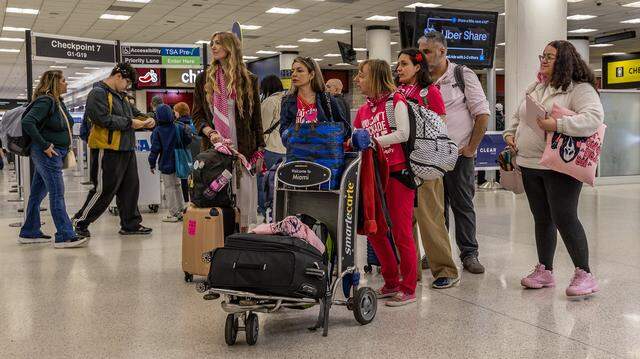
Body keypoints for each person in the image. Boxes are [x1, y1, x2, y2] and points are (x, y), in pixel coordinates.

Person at [504, 40, 603, 297]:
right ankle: (545, 270)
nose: (544, 60)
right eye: (543, 56)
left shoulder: (579, 89)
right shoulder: (537, 87)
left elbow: (593, 118)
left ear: (565, 61)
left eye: (550, 57)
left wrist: (557, 126)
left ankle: (585, 274)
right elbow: (518, 116)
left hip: (560, 165)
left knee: (564, 217)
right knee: (542, 218)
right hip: (529, 163)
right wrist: (510, 134)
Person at [419, 31, 490, 274]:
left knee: (462, 206)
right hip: (429, 157)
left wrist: (471, 148)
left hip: (458, 155)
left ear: (442, 51)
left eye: (427, 51)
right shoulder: (421, 80)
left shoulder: (462, 74)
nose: (423, 56)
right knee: (435, 208)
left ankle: (469, 254)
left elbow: (482, 114)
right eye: (421, 51)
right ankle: (438, 252)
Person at [395, 48, 460, 289]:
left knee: (430, 218)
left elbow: (440, 127)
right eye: (398, 64)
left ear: (417, 67)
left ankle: (445, 269)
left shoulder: (430, 92)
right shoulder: (396, 92)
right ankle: (410, 271)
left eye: (404, 64)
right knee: (404, 221)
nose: (399, 68)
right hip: (400, 164)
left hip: (425, 164)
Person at [353, 59, 416, 306]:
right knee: (376, 230)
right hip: (373, 176)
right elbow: (355, 137)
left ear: (376, 78)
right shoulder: (363, 111)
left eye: (362, 75)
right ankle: (390, 281)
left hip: (398, 174)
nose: (358, 79)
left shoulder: (395, 101)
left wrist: (372, 140)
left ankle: (408, 286)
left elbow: (403, 133)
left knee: (401, 232)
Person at [192, 31, 265, 231]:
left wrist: (260, 149)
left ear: (230, 47)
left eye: (218, 43)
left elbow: (256, 119)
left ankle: (242, 240)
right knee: (219, 193)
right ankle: (220, 238)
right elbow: (197, 116)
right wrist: (210, 133)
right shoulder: (204, 79)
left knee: (244, 197)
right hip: (215, 148)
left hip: (243, 149)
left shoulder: (249, 79)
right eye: (212, 43)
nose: (213, 47)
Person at [73, 63, 155, 237]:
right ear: (118, 76)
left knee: (130, 188)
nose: (127, 86)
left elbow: (135, 113)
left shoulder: (122, 96)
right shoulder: (98, 93)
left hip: (126, 148)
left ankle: (130, 224)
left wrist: (148, 119)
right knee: (103, 190)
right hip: (107, 149)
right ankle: (80, 221)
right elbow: (101, 119)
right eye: (126, 82)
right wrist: (130, 123)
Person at [19, 70, 88, 248]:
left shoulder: (57, 102)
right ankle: (64, 235)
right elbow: (28, 122)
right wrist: (44, 145)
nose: (67, 84)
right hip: (47, 154)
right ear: (55, 83)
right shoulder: (46, 100)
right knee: (57, 192)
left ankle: (29, 231)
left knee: (37, 194)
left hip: (54, 153)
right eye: (64, 81)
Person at [279, 57, 350, 138]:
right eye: (292, 71)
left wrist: (323, 132)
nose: (294, 74)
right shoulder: (287, 101)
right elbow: (283, 132)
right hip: (297, 149)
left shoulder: (327, 99)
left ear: (312, 74)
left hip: (323, 149)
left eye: (299, 71)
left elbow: (343, 128)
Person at [149, 104, 192, 222]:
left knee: (169, 188)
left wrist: (152, 163)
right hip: (179, 162)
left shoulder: (157, 131)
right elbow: (188, 139)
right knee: (177, 186)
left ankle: (173, 213)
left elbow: (155, 149)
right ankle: (182, 210)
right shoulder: (178, 127)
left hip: (166, 163)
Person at [258, 74, 286, 217]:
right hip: (285, 148)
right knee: (280, 183)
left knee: (264, 181)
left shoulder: (270, 102)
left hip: (271, 148)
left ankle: (266, 212)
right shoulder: (287, 100)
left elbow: (262, 127)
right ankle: (279, 211)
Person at [173, 101, 197, 202]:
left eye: (175, 111)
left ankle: (186, 201)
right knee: (193, 178)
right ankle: (194, 199)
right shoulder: (193, 123)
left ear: (178, 112)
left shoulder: (177, 125)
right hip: (194, 154)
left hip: (182, 154)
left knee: (183, 179)